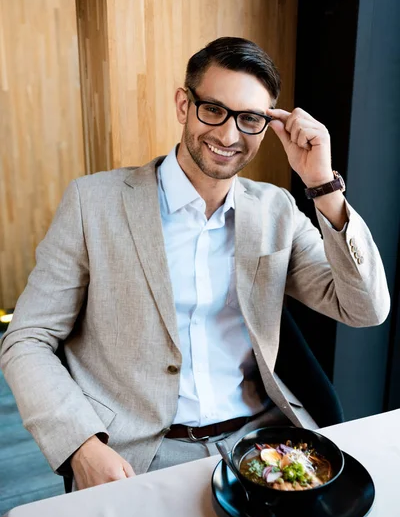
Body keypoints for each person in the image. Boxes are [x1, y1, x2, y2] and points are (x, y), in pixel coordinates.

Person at [0, 37, 390, 491]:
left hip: (261, 444)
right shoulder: (93, 203)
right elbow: (26, 339)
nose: (228, 135)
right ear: (184, 104)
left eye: (250, 119)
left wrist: (324, 186)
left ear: (268, 125)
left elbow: (366, 309)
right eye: (213, 110)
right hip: (139, 454)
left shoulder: (277, 210)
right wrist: (81, 445)